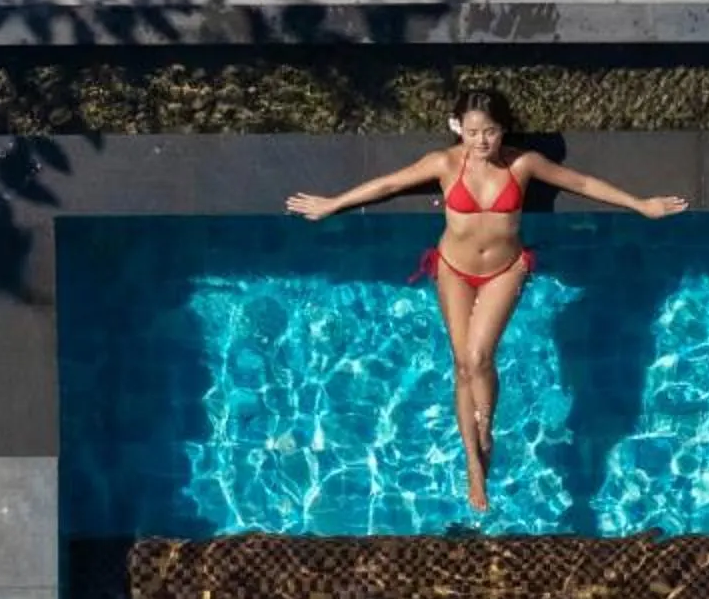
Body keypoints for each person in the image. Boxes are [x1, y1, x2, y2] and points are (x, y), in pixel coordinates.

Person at [287, 88, 688, 511]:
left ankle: (485, 431)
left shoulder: (523, 164)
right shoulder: (443, 163)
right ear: (457, 126)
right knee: (462, 364)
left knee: (479, 357)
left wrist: (641, 205)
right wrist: (333, 204)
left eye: (491, 132)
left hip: (504, 268)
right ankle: (473, 464)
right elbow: (388, 183)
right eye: (474, 132)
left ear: (503, 130)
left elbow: (582, 183)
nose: (481, 142)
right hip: (453, 269)